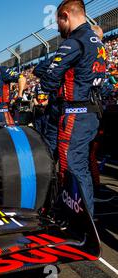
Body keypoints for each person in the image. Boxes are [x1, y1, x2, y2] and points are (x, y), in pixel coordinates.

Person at [36, 0, 106, 216]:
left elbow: (48, 81)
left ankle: (83, 224)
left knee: (73, 166)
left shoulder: (73, 42)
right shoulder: (98, 43)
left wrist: (49, 82)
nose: (58, 27)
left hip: (76, 112)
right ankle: (70, 213)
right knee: (77, 164)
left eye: (58, 21)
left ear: (65, 15)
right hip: (91, 112)